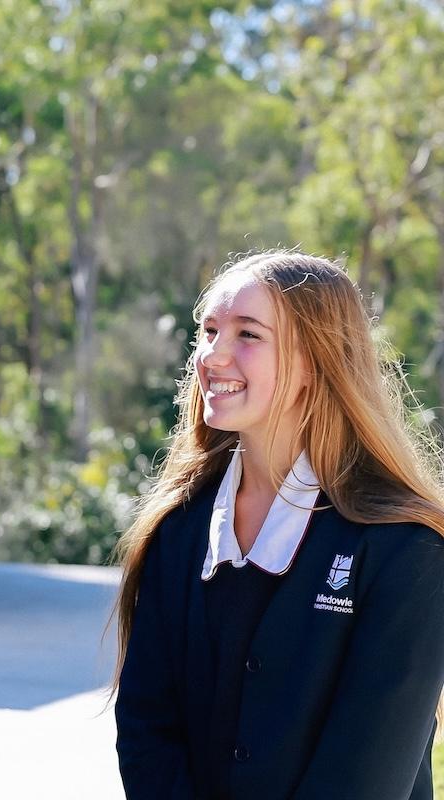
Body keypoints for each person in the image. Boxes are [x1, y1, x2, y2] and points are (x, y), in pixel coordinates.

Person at [113, 250, 444, 800]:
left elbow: (365, 777)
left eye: (248, 334)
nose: (213, 356)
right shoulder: (177, 530)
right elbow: (147, 731)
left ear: (316, 361)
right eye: (209, 330)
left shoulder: (407, 550)